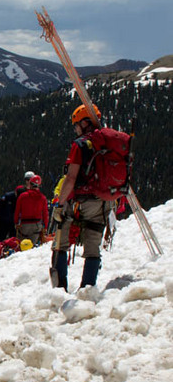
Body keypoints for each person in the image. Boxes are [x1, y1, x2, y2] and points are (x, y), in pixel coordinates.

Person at [51, 105, 114, 290]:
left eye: (76, 125)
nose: (76, 129)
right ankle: (88, 288)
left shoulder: (80, 145)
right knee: (93, 247)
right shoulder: (108, 141)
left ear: (85, 122)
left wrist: (60, 205)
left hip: (81, 201)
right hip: (103, 202)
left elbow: (70, 179)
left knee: (60, 243)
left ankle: (60, 288)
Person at [15, 175, 48, 246]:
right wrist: (45, 227)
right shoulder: (42, 198)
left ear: (30, 184)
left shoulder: (22, 196)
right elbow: (45, 213)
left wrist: (16, 222)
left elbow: (17, 211)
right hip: (36, 226)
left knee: (22, 246)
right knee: (32, 246)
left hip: (24, 225)